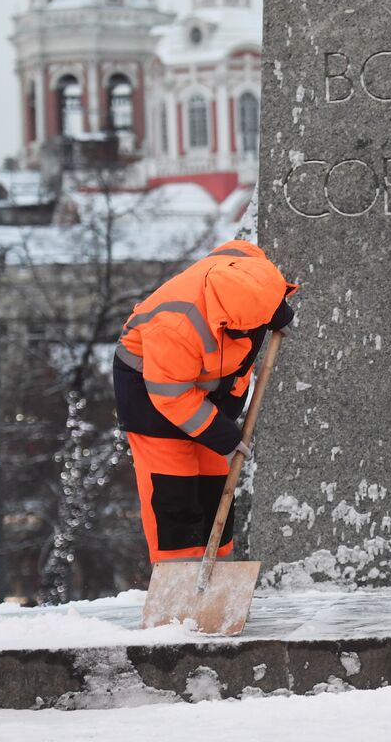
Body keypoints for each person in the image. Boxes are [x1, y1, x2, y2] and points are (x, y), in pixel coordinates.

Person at [113, 239, 296, 564]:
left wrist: (274, 309)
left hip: (207, 378)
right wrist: (224, 435)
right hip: (150, 389)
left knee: (213, 481)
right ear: (226, 320)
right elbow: (171, 396)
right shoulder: (175, 326)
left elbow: (242, 253)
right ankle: (178, 575)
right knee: (174, 486)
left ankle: (217, 568)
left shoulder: (251, 270)